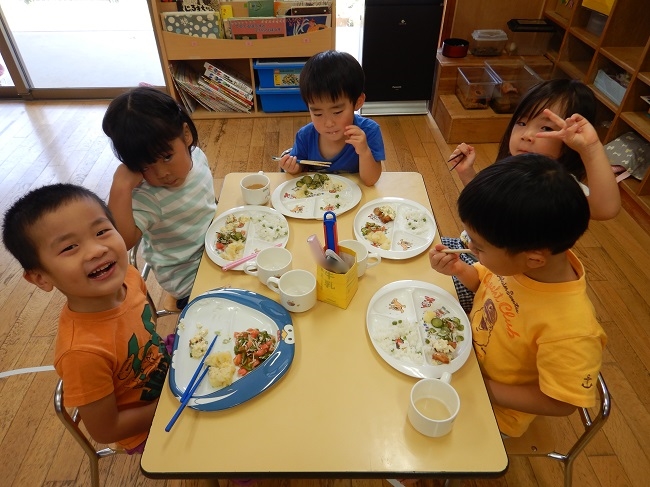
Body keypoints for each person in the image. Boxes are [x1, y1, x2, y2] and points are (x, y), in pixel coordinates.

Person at [429, 155, 607, 438]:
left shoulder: (571, 330)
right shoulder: (518, 264)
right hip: (463, 358)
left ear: (534, 259)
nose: (469, 247)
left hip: (494, 409)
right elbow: (486, 286)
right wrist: (460, 269)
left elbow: (561, 402)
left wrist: (480, 387)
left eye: (479, 247)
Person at [2, 183, 171, 453]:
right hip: (146, 425)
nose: (96, 250)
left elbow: (148, 330)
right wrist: (170, 404)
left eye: (102, 231)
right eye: (69, 247)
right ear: (40, 277)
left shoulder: (129, 277)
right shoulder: (82, 353)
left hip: (165, 372)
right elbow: (106, 430)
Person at [443, 79, 621, 312]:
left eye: (546, 128)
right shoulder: (515, 167)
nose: (527, 134)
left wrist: (590, 148)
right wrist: (467, 174)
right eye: (522, 122)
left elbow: (606, 208)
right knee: (431, 251)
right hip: (476, 250)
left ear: (570, 142)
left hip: (501, 273)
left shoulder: (560, 190)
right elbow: (489, 209)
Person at [103, 86, 217, 310]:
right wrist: (121, 187)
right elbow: (123, 241)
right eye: (146, 166)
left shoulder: (197, 156)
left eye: (167, 156)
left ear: (186, 135)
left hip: (216, 246)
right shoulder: (147, 197)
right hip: (189, 276)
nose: (162, 173)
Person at [276, 50, 385, 186]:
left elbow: (371, 181)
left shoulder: (369, 131)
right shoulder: (306, 136)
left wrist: (364, 151)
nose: (328, 123)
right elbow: (299, 170)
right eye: (318, 114)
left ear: (357, 102)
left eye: (337, 111)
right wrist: (293, 168)